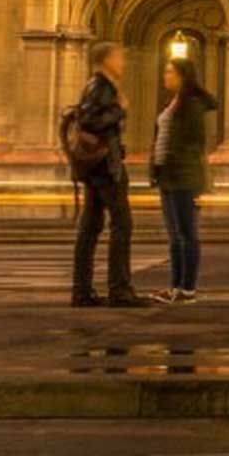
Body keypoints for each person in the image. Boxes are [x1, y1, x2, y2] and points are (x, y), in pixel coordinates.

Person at [72, 42, 146, 307]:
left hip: (96, 166)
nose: (123, 63)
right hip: (105, 166)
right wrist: (119, 109)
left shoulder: (96, 85)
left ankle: (82, 290)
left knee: (90, 228)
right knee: (122, 225)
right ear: (106, 61)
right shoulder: (101, 86)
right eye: (119, 58)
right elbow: (90, 121)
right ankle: (119, 289)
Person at [150, 55, 219, 304]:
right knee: (175, 236)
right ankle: (175, 287)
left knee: (186, 234)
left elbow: (194, 143)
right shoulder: (176, 102)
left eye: (170, 72)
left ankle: (187, 288)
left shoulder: (191, 105)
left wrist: (183, 169)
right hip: (169, 177)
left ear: (182, 76)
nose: (165, 76)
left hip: (183, 177)